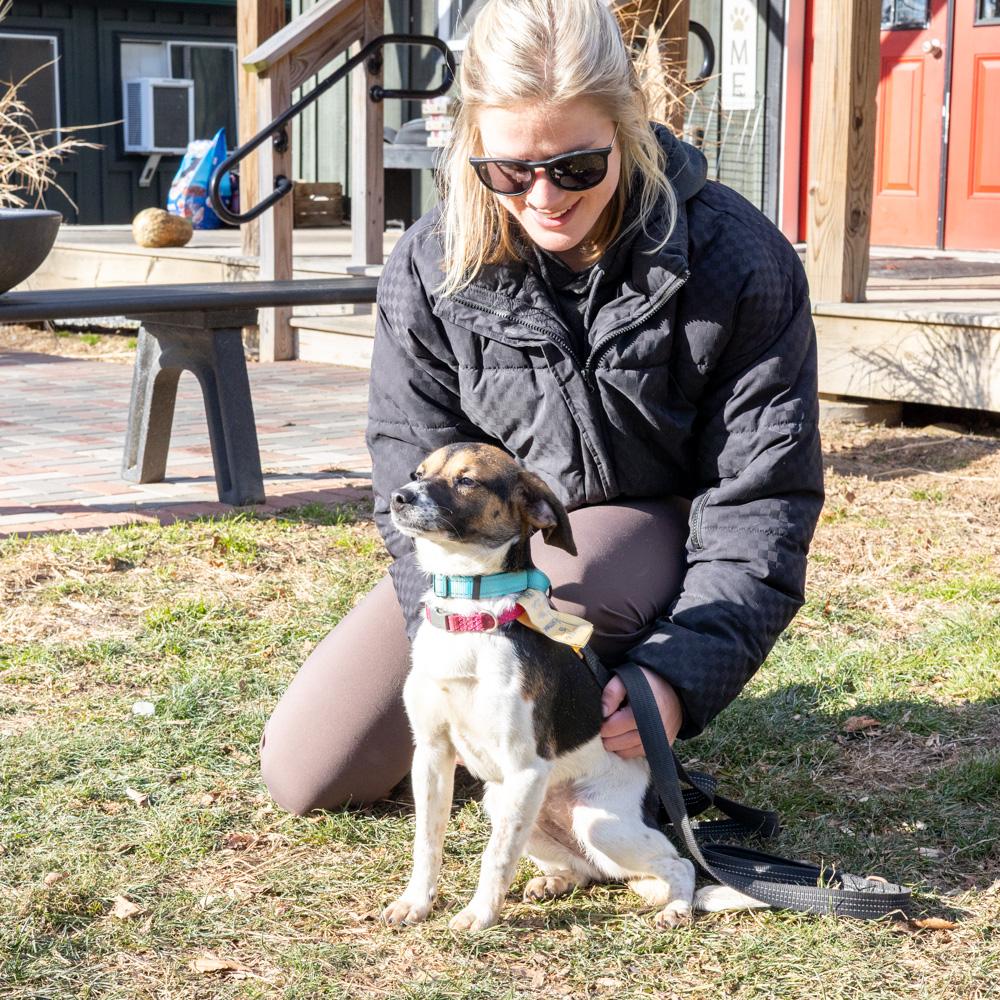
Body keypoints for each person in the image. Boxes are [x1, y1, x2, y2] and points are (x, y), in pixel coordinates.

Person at [260, 0, 824, 814]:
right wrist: (441, 630)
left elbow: (761, 496)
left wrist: (679, 674)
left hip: (651, 527)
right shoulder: (429, 261)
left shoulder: (737, 256)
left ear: (628, 130)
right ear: (472, 148)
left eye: (576, 168)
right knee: (311, 774)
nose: (543, 196)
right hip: (492, 546)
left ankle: (577, 721)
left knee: (577, 577)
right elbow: (407, 467)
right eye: (509, 170)